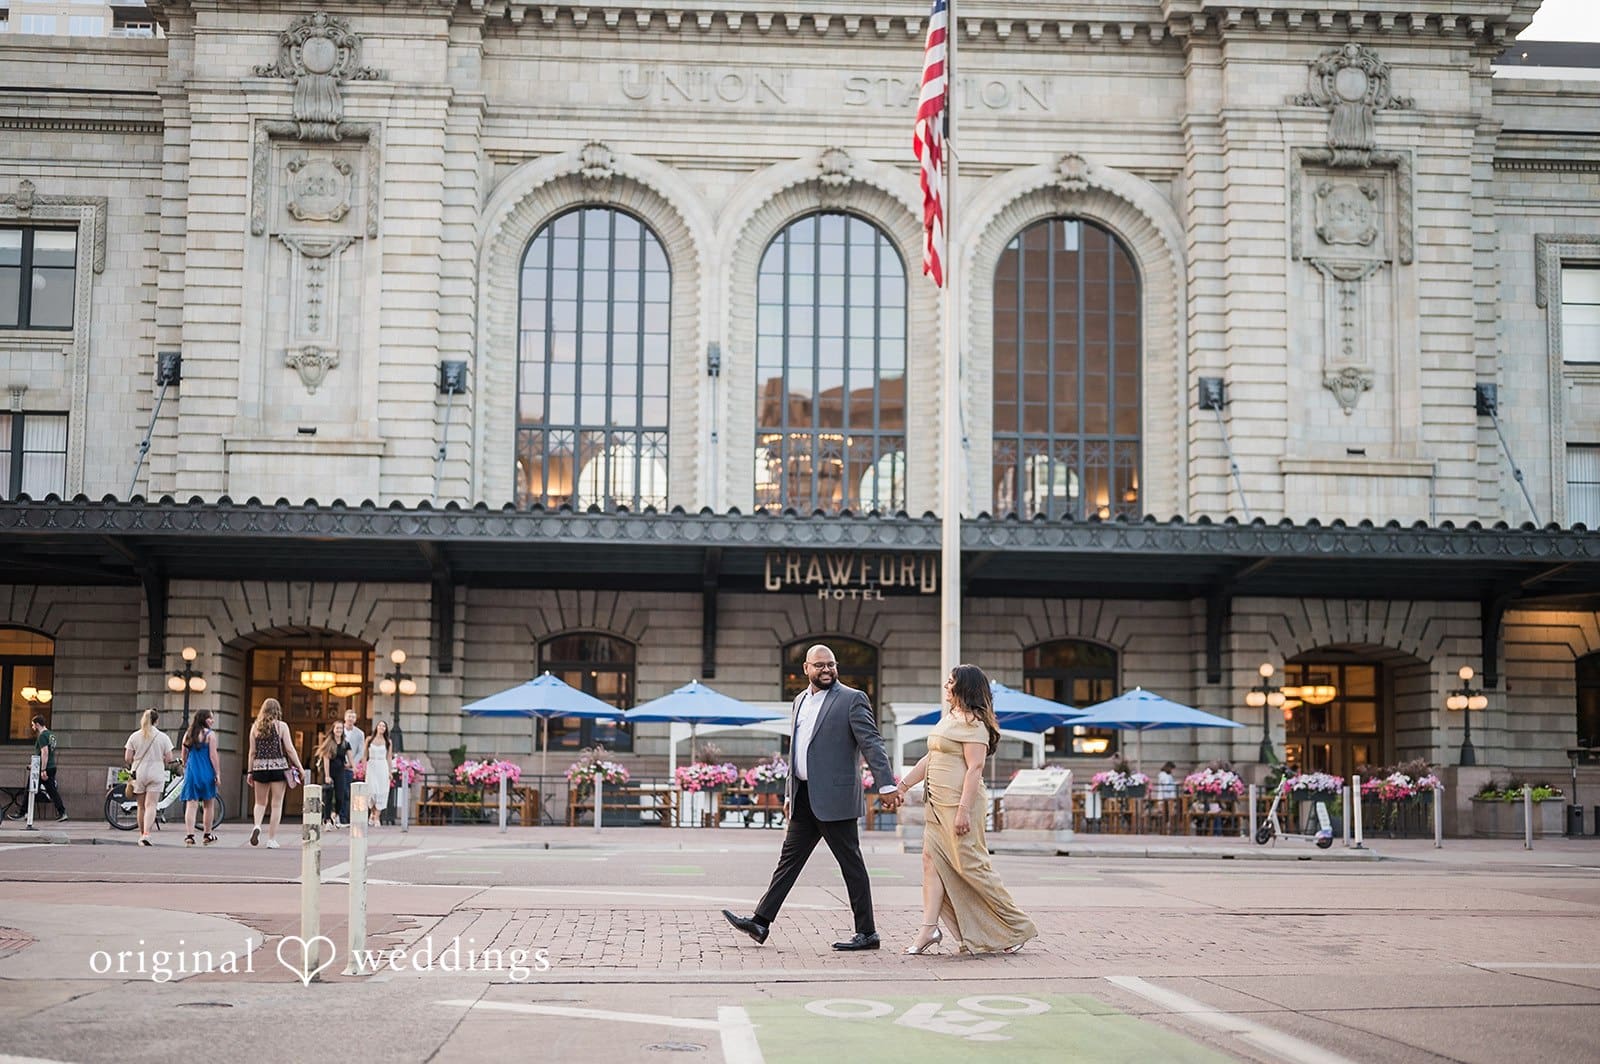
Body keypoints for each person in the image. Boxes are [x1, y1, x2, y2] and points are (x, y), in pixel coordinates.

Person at [722, 643, 901, 951]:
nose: (826, 669)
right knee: (788, 862)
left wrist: (886, 785)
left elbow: (872, 742)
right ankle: (761, 922)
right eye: (819, 665)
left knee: (851, 864)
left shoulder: (852, 699)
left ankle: (868, 932)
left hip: (837, 798)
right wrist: (790, 793)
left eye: (830, 664)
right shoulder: (800, 701)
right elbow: (797, 751)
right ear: (805, 669)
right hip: (805, 796)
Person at [894, 664, 1038, 956]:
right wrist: (904, 786)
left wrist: (962, 811)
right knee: (930, 862)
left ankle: (1016, 926)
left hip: (961, 805)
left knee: (971, 866)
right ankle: (928, 929)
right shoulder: (950, 718)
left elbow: (975, 769)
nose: (946, 686)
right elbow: (931, 756)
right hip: (936, 804)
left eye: (951, 682)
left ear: (964, 688)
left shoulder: (974, 725)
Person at [247, 698, 305, 848]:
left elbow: (252, 752)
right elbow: (290, 749)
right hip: (278, 766)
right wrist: (300, 767)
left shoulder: (255, 727)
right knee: (276, 804)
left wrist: (249, 772)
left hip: (259, 768)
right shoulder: (281, 726)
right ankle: (271, 839)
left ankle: (257, 826)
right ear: (277, 710)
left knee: (260, 803)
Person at [124, 709, 175, 846]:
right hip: (156, 771)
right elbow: (169, 758)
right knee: (151, 805)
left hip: (139, 772)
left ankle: (141, 835)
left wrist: (137, 759)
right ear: (156, 721)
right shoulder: (163, 737)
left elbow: (128, 758)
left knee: (141, 806)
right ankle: (147, 833)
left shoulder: (134, 736)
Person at [179, 709, 222, 846]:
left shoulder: (188, 734)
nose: (212, 721)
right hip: (206, 772)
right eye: (210, 718)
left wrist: (185, 765)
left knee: (191, 805)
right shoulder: (210, 735)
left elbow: (184, 753)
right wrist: (217, 773)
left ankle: (189, 836)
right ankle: (207, 835)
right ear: (204, 719)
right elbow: (213, 756)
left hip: (192, 772)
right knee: (209, 805)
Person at [29, 716, 67, 821]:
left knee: (30, 788)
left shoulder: (42, 736)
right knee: (52, 791)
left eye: (33, 724)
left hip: (44, 768)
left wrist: (42, 770)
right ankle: (62, 812)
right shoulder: (51, 735)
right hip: (51, 766)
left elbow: (44, 753)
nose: (32, 727)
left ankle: (23, 812)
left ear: (37, 724)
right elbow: (49, 753)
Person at [319, 721, 352, 829]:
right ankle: (327, 820)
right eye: (337, 728)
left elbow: (350, 759)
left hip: (340, 772)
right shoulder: (329, 742)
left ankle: (336, 815)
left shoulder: (345, 744)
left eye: (341, 729)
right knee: (328, 796)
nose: (339, 730)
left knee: (340, 796)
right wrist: (327, 776)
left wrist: (350, 765)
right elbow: (326, 759)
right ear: (333, 730)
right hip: (329, 771)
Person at [362, 720, 392, 828]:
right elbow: (364, 755)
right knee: (372, 791)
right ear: (377, 727)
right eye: (380, 725)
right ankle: (372, 813)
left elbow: (389, 757)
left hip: (382, 766)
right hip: (372, 765)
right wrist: (364, 767)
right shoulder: (369, 740)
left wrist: (390, 771)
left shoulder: (388, 741)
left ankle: (377, 817)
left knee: (381, 791)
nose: (381, 727)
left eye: (384, 726)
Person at [343, 709, 366, 779]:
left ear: (355, 719)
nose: (350, 719)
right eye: (349, 716)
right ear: (345, 718)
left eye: (353, 717)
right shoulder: (338, 730)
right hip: (338, 765)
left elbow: (361, 751)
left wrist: (351, 763)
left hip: (351, 767)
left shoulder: (360, 733)